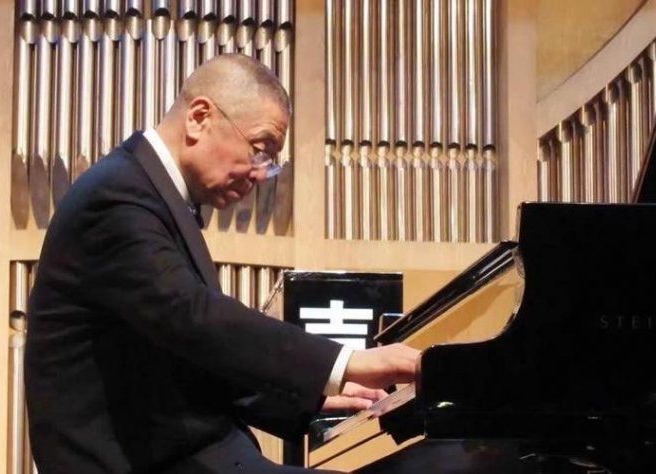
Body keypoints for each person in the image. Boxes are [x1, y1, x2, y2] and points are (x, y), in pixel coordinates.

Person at [24, 54, 420, 473]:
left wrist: (315, 397)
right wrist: (346, 362)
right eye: (260, 150)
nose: (261, 175)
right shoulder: (116, 196)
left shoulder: (149, 194)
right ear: (199, 117)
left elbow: (188, 358)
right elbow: (191, 315)